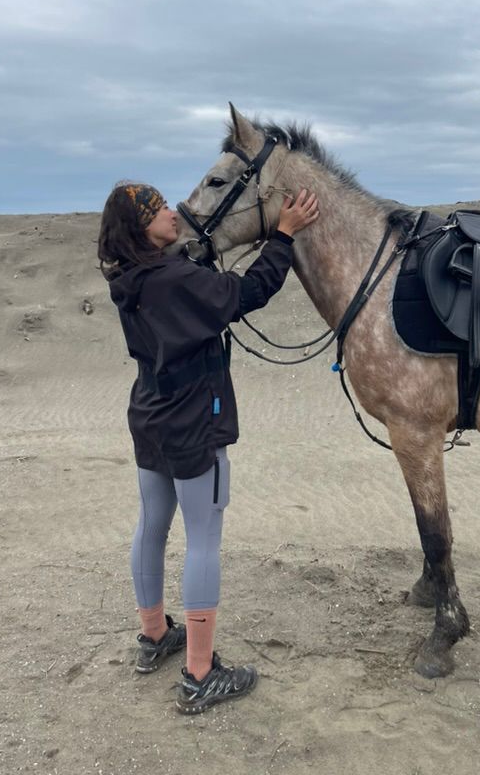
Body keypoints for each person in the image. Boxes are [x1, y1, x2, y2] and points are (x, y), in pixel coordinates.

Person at [97, 181, 319, 714]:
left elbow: (186, 280)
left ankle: (155, 637)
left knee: (151, 525)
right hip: (194, 417)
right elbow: (245, 295)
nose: (172, 213)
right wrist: (284, 235)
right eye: (158, 210)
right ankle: (199, 673)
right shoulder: (173, 277)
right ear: (140, 226)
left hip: (149, 411)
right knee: (203, 537)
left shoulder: (130, 274)